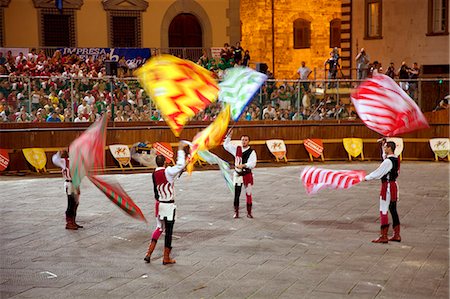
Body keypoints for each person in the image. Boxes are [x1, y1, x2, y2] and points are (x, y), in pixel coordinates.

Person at [144, 142, 186, 264]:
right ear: (165, 162)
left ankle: (148, 253)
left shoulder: (154, 173)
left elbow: (170, 179)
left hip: (159, 204)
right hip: (169, 205)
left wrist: (178, 172)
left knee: (159, 228)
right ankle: (166, 257)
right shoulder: (168, 171)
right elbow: (180, 165)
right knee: (169, 232)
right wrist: (181, 150)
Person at [364, 141, 401, 243]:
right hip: (394, 185)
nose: (384, 149)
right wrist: (383, 143)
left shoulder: (387, 162)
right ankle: (396, 234)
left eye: (385, 147)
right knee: (393, 210)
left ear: (389, 148)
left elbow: (379, 172)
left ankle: (383, 235)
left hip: (387, 187)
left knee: (383, 209)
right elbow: (385, 157)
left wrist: (366, 177)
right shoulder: (396, 159)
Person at [223, 130, 257, 218]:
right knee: (237, 194)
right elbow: (226, 145)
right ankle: (236, 212)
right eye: (242, 140)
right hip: (238, 175)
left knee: (248, 193)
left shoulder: (251, 152)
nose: (244, 141)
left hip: (247, 174)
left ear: (248, 141)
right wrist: (229, 136)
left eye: (246, 140)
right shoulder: (237, 149)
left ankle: (249, 212)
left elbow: (253, 163)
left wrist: (244, 165)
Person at [52, 150, 82, 230]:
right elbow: (55, 159)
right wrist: (59, 153)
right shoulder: (65, 161)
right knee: (71, 203)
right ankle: (69, 223)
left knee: (75, 203)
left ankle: (73, 221)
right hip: (70, 183)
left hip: (75, 184)